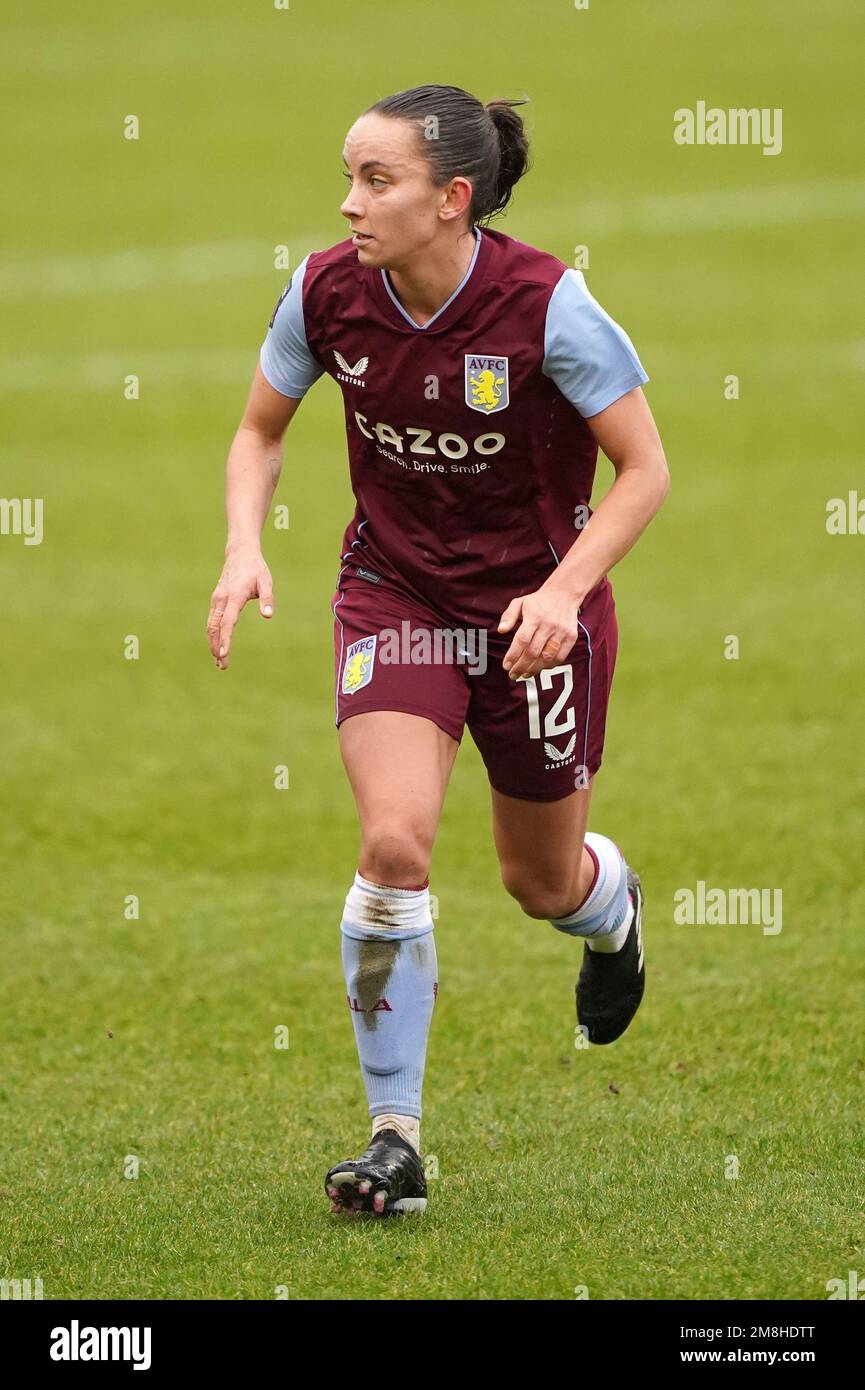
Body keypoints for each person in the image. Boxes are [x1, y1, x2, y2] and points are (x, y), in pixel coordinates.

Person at [207, 84, 669, 1218]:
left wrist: (563, 591)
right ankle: (393, 1140)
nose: (350, 203)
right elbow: (260, 430)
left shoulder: (547, 305)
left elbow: (645, 471)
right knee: (394, 841)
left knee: (538, 880)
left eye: (378, 181)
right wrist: (240, 548)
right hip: (395, 595)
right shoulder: (325, 291)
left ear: (452, 199)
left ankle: (611, 914)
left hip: (533, 621)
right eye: (349, 177)